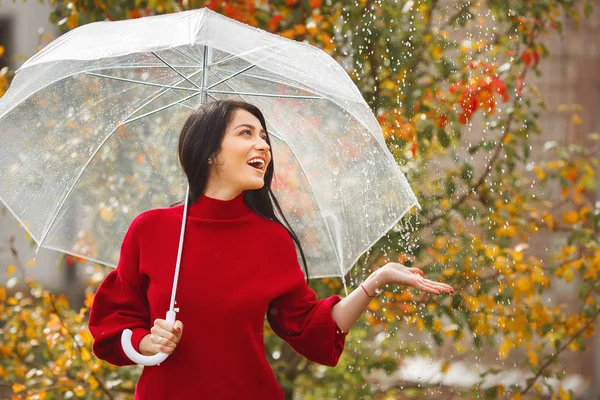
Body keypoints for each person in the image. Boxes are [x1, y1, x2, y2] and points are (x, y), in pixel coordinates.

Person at [88, 100, 454, 399]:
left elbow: (312, 329)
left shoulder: (271, 240)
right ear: (210, 153)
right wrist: (147, 342)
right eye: (245, 133)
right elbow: (113, 322)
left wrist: (377, 279)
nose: (262, 144)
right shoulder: (152, 230)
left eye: (264, 136)